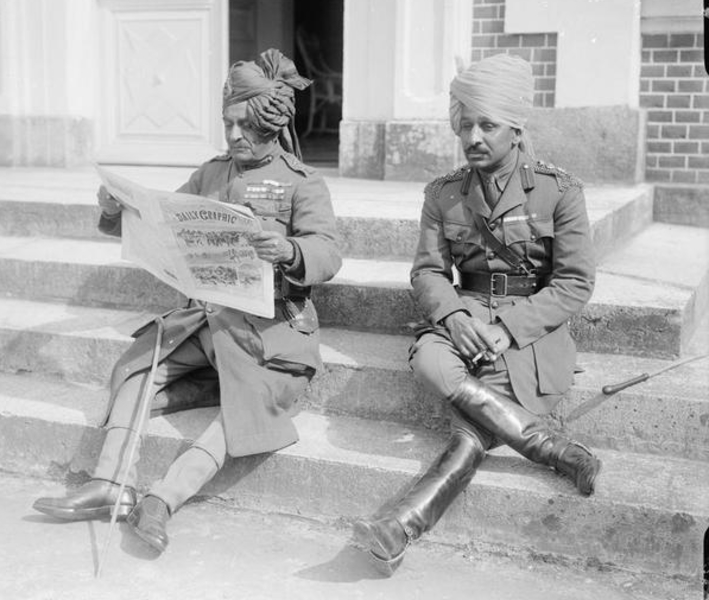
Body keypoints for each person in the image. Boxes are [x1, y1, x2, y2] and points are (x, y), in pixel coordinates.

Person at [33, 48, 342, 555]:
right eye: (228, 124)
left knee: (247, 410)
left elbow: (328, 252)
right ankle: (111, 482)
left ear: (272, 124)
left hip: (272, 332)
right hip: (207, 319)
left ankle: (161, 500)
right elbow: (161, 219)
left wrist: (288, 249)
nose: (235, 135)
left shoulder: (303, 184)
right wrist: (117, 212)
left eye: (247, 126)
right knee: (137, 369)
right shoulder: (210, 174)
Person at [351, 53, 601, 576]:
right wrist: (455, 317)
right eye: (465, 125)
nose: (474, 137)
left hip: (532, 328)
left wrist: (508, 331)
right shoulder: (443, 194)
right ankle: (553, 449)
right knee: (428, 362)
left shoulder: (559, 191)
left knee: (470, 433)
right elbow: (426, 272)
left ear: (515, 127)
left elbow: (575, 282)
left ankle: (399, 527)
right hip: (465, 317)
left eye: (487, 124)